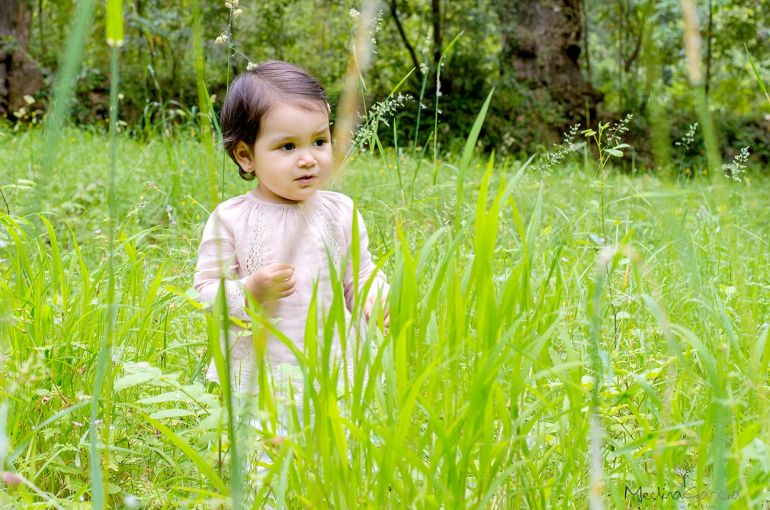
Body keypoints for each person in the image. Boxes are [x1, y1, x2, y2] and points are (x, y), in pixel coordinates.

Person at [194, 61, 389, 410]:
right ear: (245, 155)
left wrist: (372, 293)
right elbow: (207, 293)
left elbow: (357, 274)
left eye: (319, 141)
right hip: (263, 380)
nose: (308, 159)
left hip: (334, 370)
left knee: (337, 451)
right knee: (267, 458)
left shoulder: (340, 211)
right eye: (287, 147)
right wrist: (249, 291)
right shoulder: (231, 219)